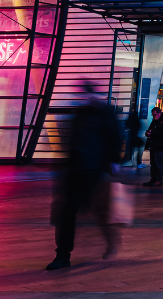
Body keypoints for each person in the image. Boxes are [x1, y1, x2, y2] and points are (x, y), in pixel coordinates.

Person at [47, 84, 122, 270]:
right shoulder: (80, 113)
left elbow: (115, 137)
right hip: (76, 171)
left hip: (95, 171)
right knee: (68, 212)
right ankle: (63, 254)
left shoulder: (105, 113)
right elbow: (71, 140)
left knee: (100, 212)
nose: (84, 97)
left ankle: (111, 240)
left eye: (86, 94)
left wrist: (114, 161)